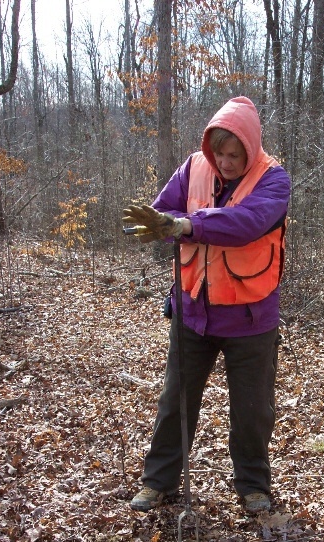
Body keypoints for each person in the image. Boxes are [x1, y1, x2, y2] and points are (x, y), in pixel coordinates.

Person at [122, 96, 290, 513]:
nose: (226, 162)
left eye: (235, 154)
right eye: (219, 152)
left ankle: (253, 487)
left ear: (251, 148)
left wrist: (187, 224)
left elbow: (245, 223)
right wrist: (164, 224)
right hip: (192, 311)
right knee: (175, 402)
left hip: (251, 318)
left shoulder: (274, 180)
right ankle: (158, 482)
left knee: (252, 411)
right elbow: (163, 213)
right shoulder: (194, 167)